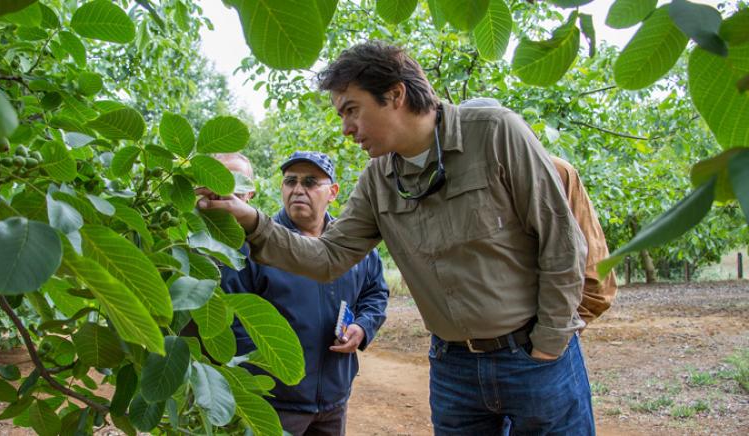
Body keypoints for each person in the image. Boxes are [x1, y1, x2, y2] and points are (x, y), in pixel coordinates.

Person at [197, 41, 593, 434]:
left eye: (352, 110)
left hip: (534, 360)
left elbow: (561, 240)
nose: (346, 128)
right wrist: (251, 220)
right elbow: (328, 258)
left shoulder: (495, 133)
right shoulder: (378, 179)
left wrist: (547, 345)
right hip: (453, 367)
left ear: (395, 94)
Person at [220, 151, 388, 436]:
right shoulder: (253, 244)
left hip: (334, 399)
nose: (298, 189)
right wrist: (272, 369)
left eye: (310, 182)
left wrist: (362, 326)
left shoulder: (353, 246)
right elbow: (232, 317)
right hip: (276, 403)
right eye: (290, 181)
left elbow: (375, 294)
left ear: (332, 192)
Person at [459, 98, 619, 328]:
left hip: (541, 334)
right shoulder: (451, 182)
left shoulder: (554, 171)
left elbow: (594, 270)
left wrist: (554, 332)